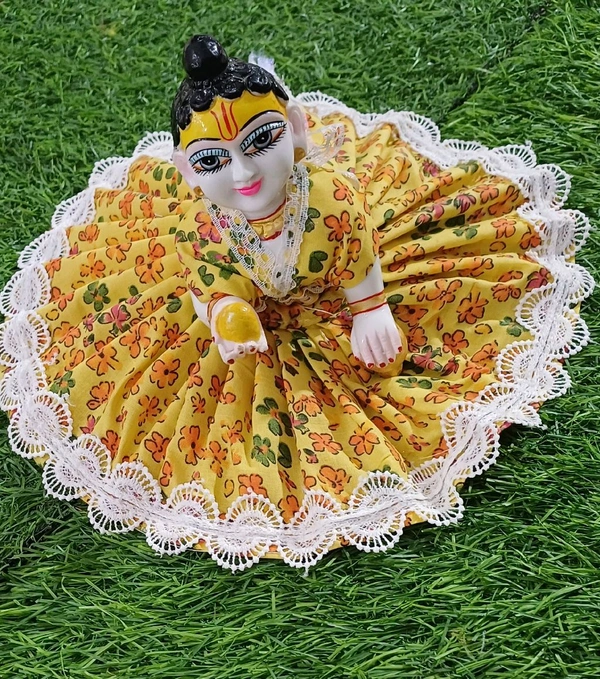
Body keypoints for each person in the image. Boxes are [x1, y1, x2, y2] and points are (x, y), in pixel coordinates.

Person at [0, 35, 591, 571]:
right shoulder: (200, 227)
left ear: (298, 129)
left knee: (388, 363)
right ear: (187, 172)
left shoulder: (332, 198)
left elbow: (356, 252)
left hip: (331, 293)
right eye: (212, 160)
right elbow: (209, 285)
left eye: (261, 141)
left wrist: (370, 307)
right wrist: (226, 314)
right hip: (249, 318)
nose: (243, 172)